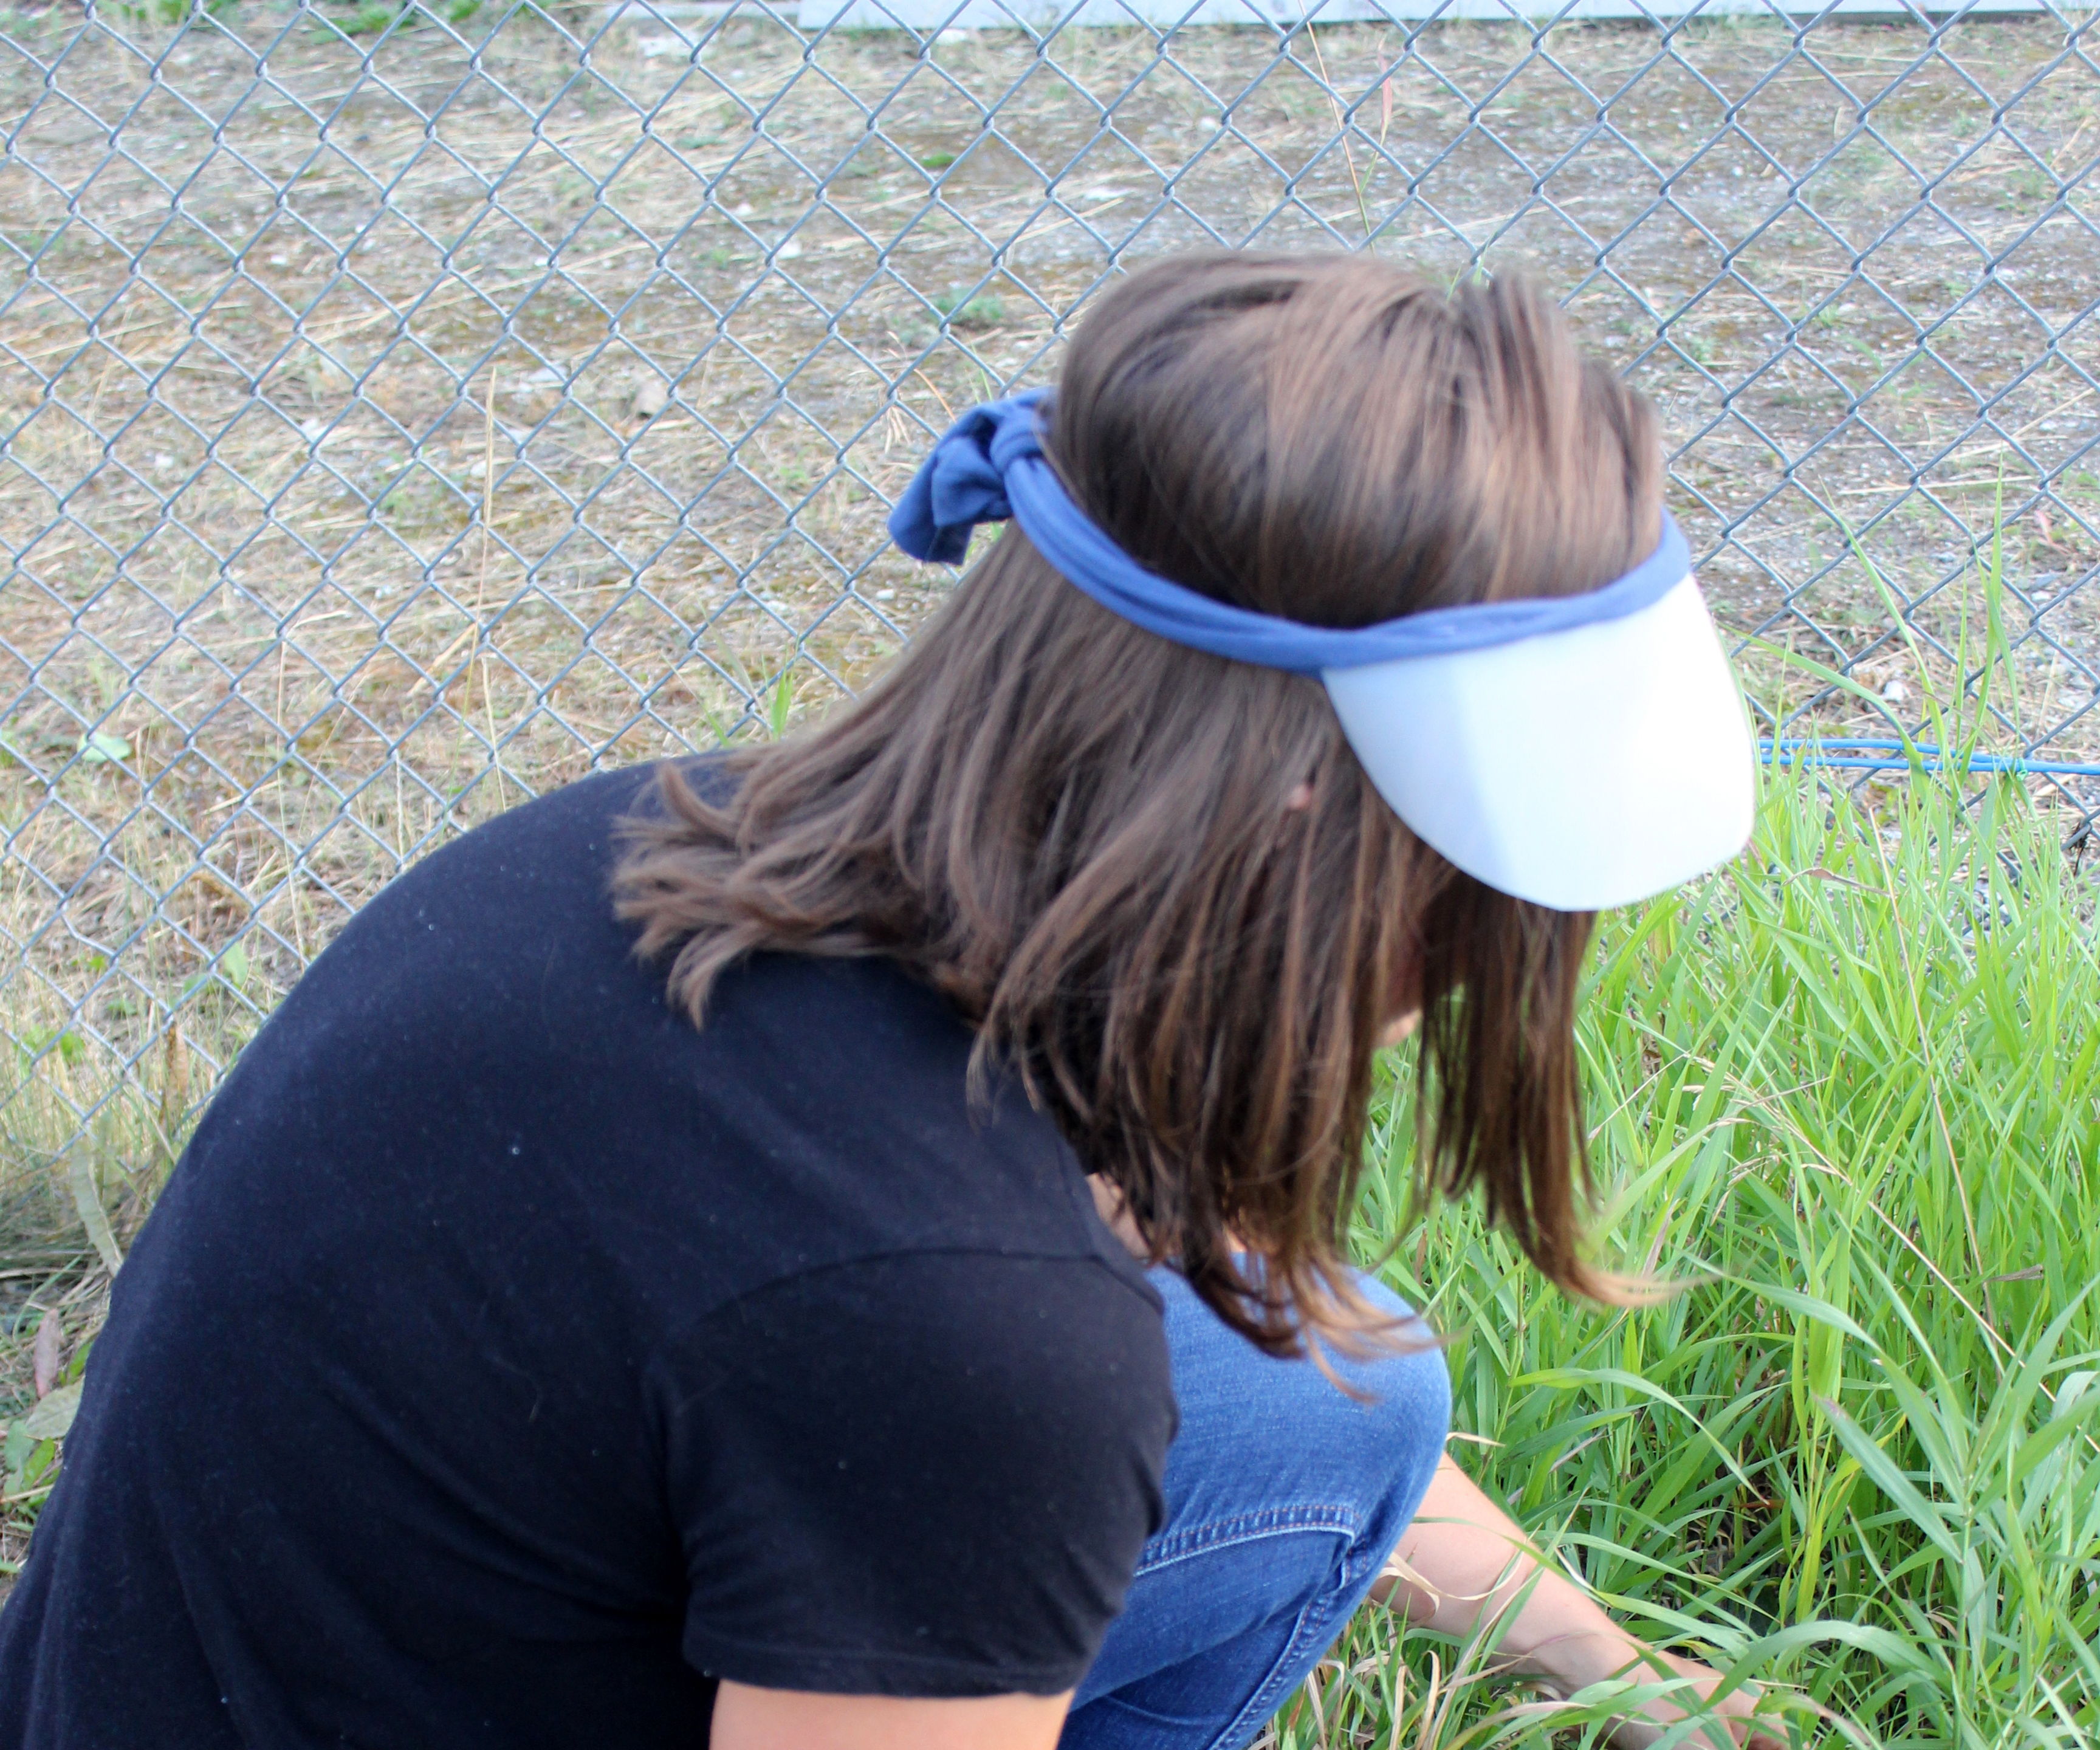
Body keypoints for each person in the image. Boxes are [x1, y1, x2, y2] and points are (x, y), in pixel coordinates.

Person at [0, 251, 1764, 1750]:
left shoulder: (682, 846)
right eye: (1485, 902)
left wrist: (1633, 1686)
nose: (1461, 983)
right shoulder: (963, 1333)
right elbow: (950, 1346)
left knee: (1340, 1394)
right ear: (1310, 824)